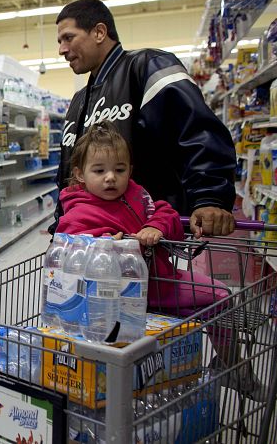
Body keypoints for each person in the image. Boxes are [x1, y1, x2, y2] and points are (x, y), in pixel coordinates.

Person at [56, 123, 266, 400]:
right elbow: (73, 247)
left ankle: (229, 364)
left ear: (130, 170)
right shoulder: (79, 212)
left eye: (119, 170)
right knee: (218, 297)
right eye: (99, 171)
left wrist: (156, 227)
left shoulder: (136, 194)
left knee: (221, 296)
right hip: (119, 298)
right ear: (80, 175)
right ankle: (228, 368)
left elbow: (166, 212)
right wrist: (108, 243)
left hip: (160, 280)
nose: (111, 178)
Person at [53, 0, 237, 239]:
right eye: (59, 41)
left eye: (68, 38)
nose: (61, 50)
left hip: (146, 235)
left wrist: (210, 196)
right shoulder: (79, 100)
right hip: (91, 243)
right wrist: (61, 223)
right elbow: (70, 172)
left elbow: (197, 129)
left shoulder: (147, 67)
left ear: (99, 32)